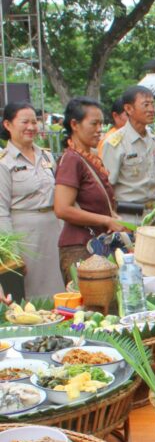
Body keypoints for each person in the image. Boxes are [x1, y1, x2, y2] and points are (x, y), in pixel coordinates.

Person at [53, 97, 126, 283]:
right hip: (80, 248)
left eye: (101, 123)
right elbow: (62, 209)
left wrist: (112, 217)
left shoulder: (88, 157)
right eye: (94, 123)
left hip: (96, 246)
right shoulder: (71, 160)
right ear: (75, 125)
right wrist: (106, 220)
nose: (99, 129)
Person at [0, 102, 63, 297]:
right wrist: (12, 254)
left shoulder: (46, 156)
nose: (31, 127)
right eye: (24, 122)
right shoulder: (4, 162)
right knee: (33, 293)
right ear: (8, 125)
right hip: (26, 238)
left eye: (34, 122)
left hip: (54, 231)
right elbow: (1, 211)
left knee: (59, 287)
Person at [101, 85, 155, 210]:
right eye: (146, 105)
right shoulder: (115, 143)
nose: (152, 109)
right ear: (129, 109)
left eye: (153, 104)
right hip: (128, 215)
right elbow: (107, 186)